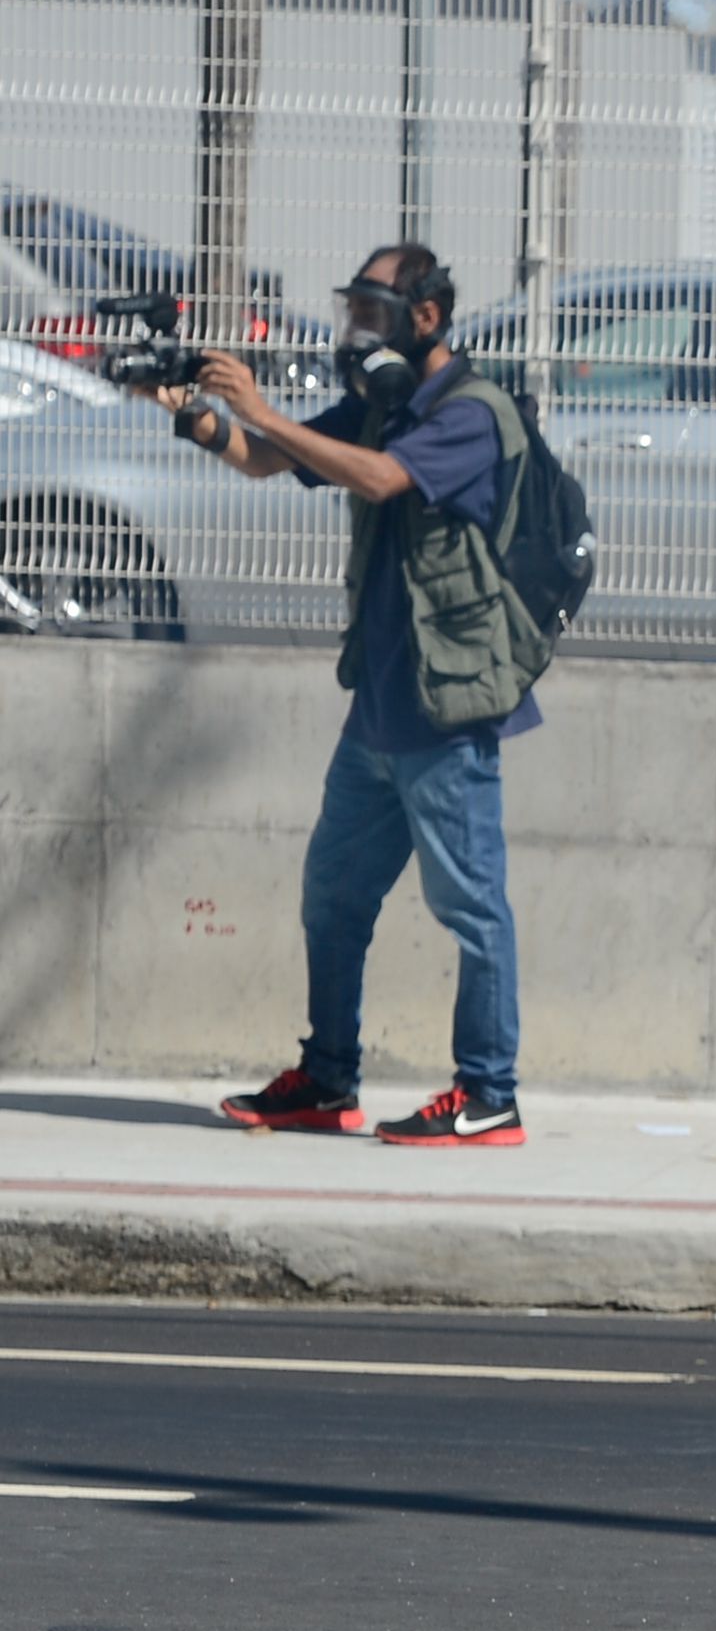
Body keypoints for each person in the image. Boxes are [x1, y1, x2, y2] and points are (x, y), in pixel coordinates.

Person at [148, 243, 541, 1146]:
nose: (357, 329)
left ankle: (490, 1094)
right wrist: (198, 419)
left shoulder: (470, 413)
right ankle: (327, 1082)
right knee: (332, 893)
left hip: (446, 710)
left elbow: (380, 478)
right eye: (353, 310)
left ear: (428, 317)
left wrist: (263, 407)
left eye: (373, 311)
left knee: (471, 905)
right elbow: (268, 459)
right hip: (379, 709)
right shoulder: (377, 407)